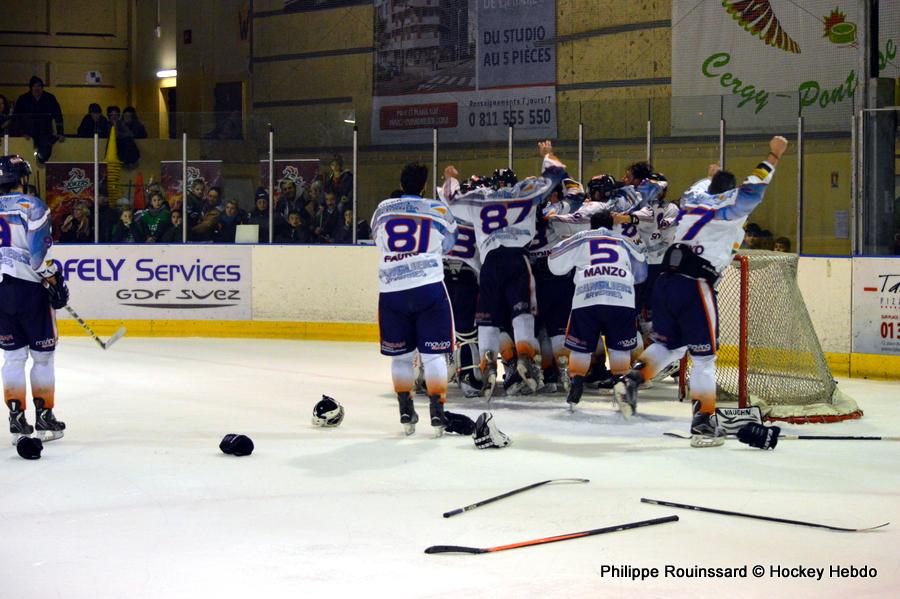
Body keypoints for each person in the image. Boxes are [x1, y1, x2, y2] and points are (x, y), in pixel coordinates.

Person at [617, 136, 789, 448]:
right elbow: (754, 188)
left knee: (670, 346)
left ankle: (631, 380)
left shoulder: (693, 197)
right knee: (705, 359)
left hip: (666, 283)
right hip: (695, 284)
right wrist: (773, 157)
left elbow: (707, 186)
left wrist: (712, 176)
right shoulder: (731, 209)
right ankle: (703, 423)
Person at [443, 141, 567, 398]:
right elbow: (556, 172)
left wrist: (451, 179)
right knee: (522, 314)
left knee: (488, 318)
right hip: (517, 258)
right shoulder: (526, 192)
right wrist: (546, 155)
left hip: (489, 263)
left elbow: (450, 199)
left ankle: (487, 366)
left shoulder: (480, 198)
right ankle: (524, 359)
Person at [371, 162, 457, 436]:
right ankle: (437, 409)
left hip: (392, 290)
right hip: (428, 286)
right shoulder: (438, 209)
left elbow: (377, 238)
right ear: (423, 186)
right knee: (433, 357)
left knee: (401, 357)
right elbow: (449, 244)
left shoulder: (383, 209)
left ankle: (405, 408)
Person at [548, 210, 647, 410]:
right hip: (622, 299)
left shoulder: (582, 237)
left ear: (591, 225)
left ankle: (576, 382)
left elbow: (554, 262)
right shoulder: (624, 241)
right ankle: (621, 385)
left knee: (580, 346)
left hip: (587, 296)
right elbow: (642, 272)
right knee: (620, 347)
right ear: (612, 225)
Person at [0, 155, 69, 443]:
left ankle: (16, 419)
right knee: (42, 357)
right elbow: (39, 260)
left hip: (1, 293)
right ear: (23, 178)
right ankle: (44, 417)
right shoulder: (33, 206)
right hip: (31, 292)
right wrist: (55, 279)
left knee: (13, 356)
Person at [13, 77, 64, 163]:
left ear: (42, 87)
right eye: (35, 86)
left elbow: (58, 116)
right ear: (31, 87)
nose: (37, 88)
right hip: (28, 134)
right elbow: (17, 118)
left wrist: (60, 133)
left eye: (39, 86)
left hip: (45, 133)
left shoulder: (49, 98)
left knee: (44, 154)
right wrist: (21, 133)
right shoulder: (23, 99)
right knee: (24, 157)